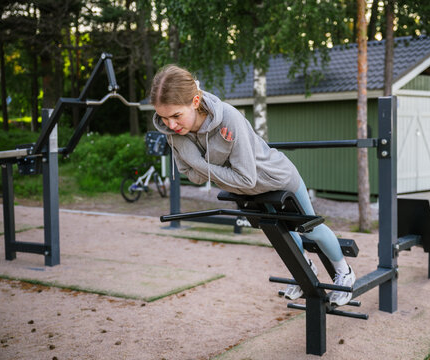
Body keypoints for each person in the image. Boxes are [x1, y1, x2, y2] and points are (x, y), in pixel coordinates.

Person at [150, 64, 356, 306]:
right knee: (281, 232)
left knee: (309, 226)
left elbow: (243, 177)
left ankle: (344, 272)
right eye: (164, 118)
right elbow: (192, 178)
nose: (170, 125)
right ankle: (304, 271)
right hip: (246, 190)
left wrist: (199, 162)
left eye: (176, 116)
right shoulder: (174, 131)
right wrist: (198, 163)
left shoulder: (229, 118)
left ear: (195, 101)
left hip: (277, 178)